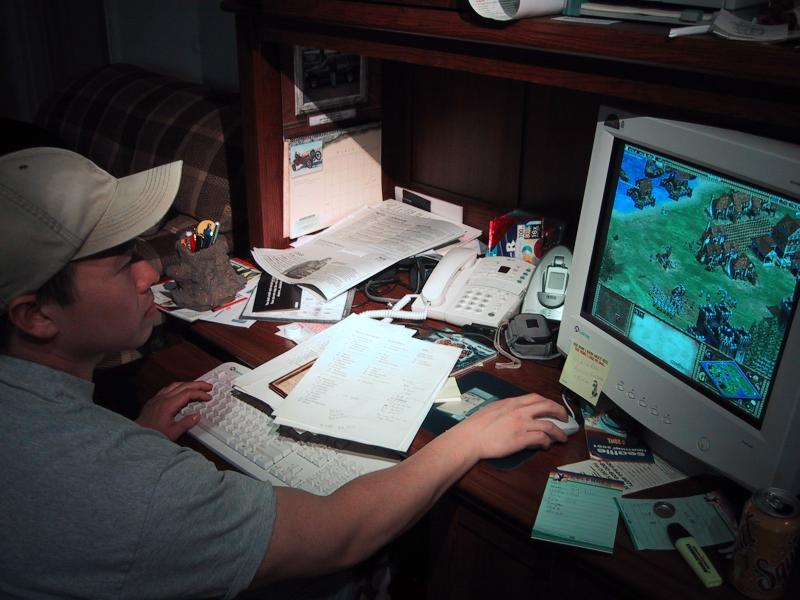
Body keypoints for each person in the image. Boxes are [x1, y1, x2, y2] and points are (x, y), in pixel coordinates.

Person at [0, 147, 570, 599]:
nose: (150, 272)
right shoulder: (123, 489)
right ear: (34, 315)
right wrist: (470, 437)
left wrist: (137, 439)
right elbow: (338, 535)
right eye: (123, 263)